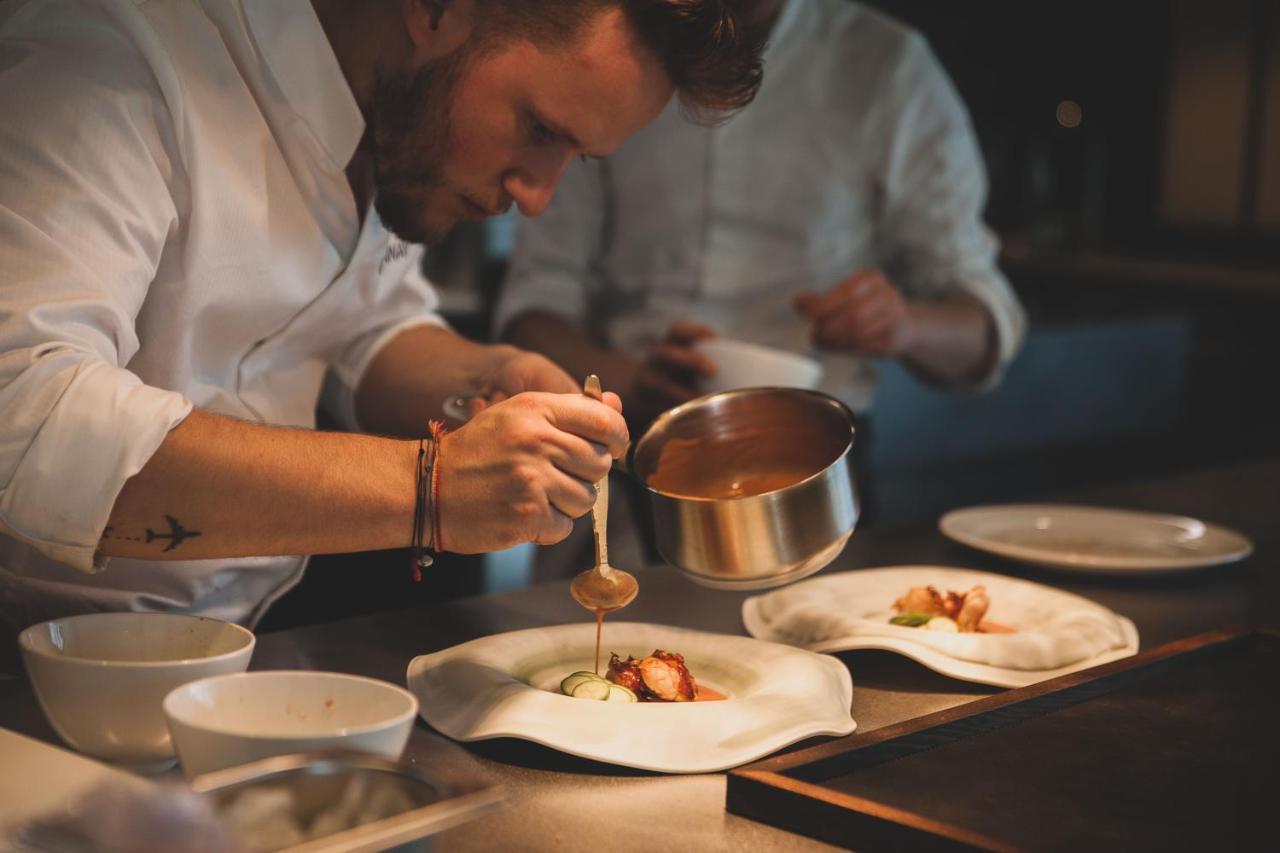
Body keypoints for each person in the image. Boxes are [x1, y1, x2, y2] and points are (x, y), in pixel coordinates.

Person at [0, 0, 764, 640]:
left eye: (578, 157)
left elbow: (367, 325)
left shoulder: (394, 123)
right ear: (433, 9)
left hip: (239, 644)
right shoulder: (111, 58)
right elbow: (20, 409)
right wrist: (429, 489)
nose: (537, 196)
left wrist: (491, 379)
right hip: (28, 659)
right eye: (541, 130)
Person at [495, 0, 1027, 572]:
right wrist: (630, 380)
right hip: (629, 455)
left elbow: (985, 322)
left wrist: (902, 324)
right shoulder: (605, 43)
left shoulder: (885, 65)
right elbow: (535, 306)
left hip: (811, 472)